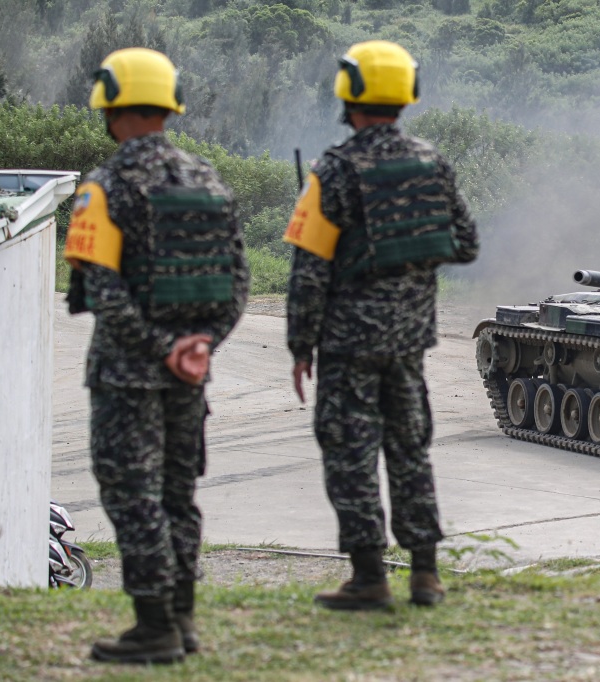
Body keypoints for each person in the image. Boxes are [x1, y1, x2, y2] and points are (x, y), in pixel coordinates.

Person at [63, 47, 248, 664]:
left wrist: (160, 348)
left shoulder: (103, 187)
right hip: (189, 377)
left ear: (112, 109)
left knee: (130, 494)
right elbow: (237, 282)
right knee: (176, 495)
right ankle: (184, 619)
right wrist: (199, 346)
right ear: (168, 108)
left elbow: (104, 293)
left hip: (126, 377)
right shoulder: (209, 181)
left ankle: (153, 626)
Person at [284, 40, 479, 611]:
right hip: (409, 340)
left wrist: (300, 344)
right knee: (409, 450)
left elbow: (310, 268)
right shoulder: (432, 165)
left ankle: (369, 576)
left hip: (348, 342)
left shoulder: (334, 171)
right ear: (406, 95)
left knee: (350, 452)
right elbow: (465, 245)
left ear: (349, 93)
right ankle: (425, 574)